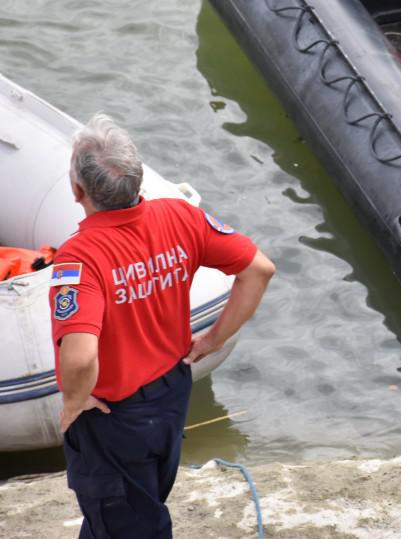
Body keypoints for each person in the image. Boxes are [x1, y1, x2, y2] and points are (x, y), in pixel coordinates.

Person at [50, 114, 275, 538]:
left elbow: (79, 358)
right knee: (133, 506)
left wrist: (74, 403)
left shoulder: (81, 258)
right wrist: (214, 339)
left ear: (77, 190)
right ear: (138, 183)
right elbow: (259, 270)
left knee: (131, 523)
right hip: (171, 393)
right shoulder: (181, 217)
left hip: (116, 417)